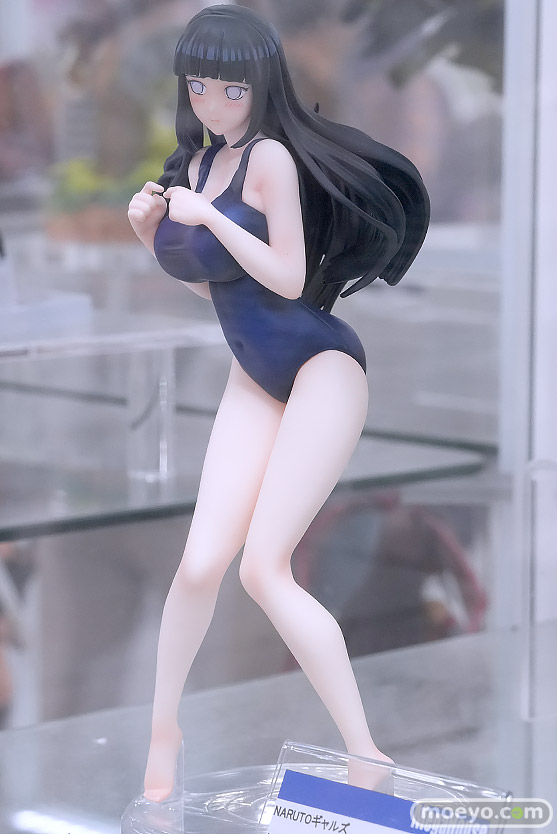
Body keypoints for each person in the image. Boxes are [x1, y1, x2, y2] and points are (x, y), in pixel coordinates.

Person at [127, 4, 429, 802]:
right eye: (200, 86)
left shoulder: (268, 161)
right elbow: (217, 288)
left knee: (264, 568)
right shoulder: (195, 165)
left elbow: (289, 278)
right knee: (200, 563)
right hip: (254, 371)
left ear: (262, 86)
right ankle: (163, 732)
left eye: (233, 89)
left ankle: (366, 753)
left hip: (321, 365)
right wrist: (150, 233)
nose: (214, 102)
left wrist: (204, 219)